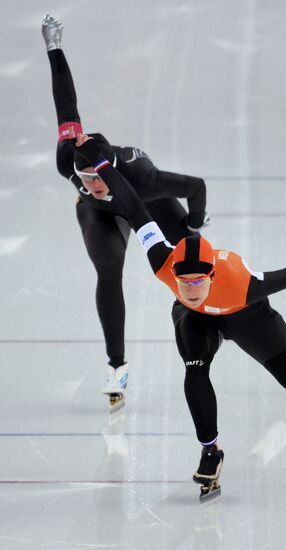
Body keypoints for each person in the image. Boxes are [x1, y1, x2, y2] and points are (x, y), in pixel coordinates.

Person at [72, 132, 286, 487]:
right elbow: (131, 204)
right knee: (196, 368)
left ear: (211, 274)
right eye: (182, 282)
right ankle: (210, 450)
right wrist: (98, 159)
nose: (189, 288)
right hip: (196, 319)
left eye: (196, 282)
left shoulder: (242, 281)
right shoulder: (161, 259)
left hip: (245, 313)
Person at [42, 15, 210, 409]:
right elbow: (65, 99)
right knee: (109, 269)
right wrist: (54, 46)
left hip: (144, 200)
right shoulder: (68, 158)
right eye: (86, 180)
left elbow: (196, 187)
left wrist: (194, 223)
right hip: (101, 217)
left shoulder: (142, 175)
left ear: (110, 170)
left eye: (98, 179)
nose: (94, 185)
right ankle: (117, 364)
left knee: (191, 250)